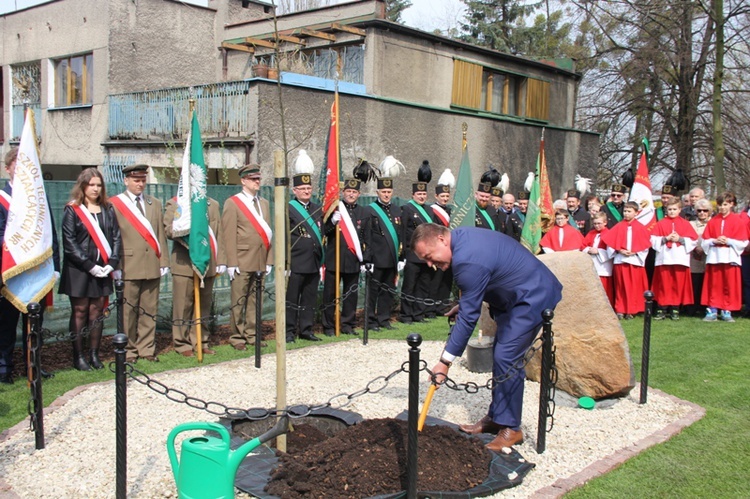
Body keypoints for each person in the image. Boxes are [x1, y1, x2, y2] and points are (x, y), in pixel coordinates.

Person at [412, 224, 562, 451]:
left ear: (442, 239)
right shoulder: (461, 239)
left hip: (531, 296)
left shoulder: (467, 260)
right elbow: (478, 288)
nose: (431, 265)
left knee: (506, 357)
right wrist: (464, 304)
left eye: (429, 257)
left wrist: (444, 363)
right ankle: (497, 417)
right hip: (516, 295)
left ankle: (512, 429)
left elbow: (469, 317)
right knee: (501, 355)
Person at [0, 147, 61, 383]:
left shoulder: (38, 198)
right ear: (8, 169)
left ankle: (33, 366)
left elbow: (50, 235)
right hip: (11, 273)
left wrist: (54, 266)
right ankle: (4, 369)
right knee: (6, 326)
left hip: (36, 274)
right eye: (17, 165)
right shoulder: (2, 198)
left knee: (34, 324)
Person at [59, 168, 122, 370]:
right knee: (80, 311)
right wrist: (89, 266)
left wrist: (111, 263)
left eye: (98, 185)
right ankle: (78, 357)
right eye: (91, 184)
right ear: (83, 186)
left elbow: (116, 238)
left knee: (97, 311)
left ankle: (94, 355)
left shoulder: (108, 209)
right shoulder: (72, 209)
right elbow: (69, 243)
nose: (95, 189)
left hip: (103, 269)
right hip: (78, 270)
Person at [111, 164, 170, 363]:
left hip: (152, 263)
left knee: (149, 309)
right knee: (128, 311)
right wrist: (116, 266)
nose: (140, 184)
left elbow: (160, 234)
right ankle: (128, 350)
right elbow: (113, 237)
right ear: (126, 181)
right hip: (128, 264)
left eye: (143, 180)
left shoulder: (154, 203)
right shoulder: (115, 204)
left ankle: (146, 348)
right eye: (136, 180)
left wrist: (164, 261)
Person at [164, 196, 225, 357]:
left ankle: (201, 341)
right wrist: (185, 229)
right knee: (183, 306)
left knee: (204, 306)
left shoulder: (213, 203)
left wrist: (221, 259)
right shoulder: (176, 202)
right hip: (184, 262)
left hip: (207, 262)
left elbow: (218, 233)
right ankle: (182, 343)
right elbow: (168, 229)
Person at [221, 164, 273, 349]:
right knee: (238, 300)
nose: (257, 182)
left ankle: (253, 334)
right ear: (243, 181)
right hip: (241, 260)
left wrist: (269, 259)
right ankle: (237, 337)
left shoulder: (264, 204)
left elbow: (268, 234)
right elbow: (228, 235)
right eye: (253, 179)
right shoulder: (233, 203)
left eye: (258, 178)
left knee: (255, 300)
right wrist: (231, 262)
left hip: (260, 258)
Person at [322, 178, 366, 336]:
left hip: (353, 260)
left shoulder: (363, 212)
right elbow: (324, 232)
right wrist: (332, 222)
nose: (351, 194)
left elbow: (365, 238)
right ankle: (328, 326)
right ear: (343, 192)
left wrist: (364, 260)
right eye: (349, 191)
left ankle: (347, 325)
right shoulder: (335, 209)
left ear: (359, 194)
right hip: (335, 259)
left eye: (354, 192)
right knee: (330, 295)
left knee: (351, 295)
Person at [700, 191, 749, 322]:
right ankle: (713, 309)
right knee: (714, 284)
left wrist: (729, 241)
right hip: (715, 257)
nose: (722, 208)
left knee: (729, 284)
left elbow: (743, 242)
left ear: (732, 204)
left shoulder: (737, 221)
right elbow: (705, 240)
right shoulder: (713, 221)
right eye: (720, 205)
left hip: (730, 257)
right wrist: (714, 241)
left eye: (725, 204)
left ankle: (727, 310)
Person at [286, 173, 323, 342]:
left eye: (309, 188)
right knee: (292, 298)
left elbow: (322, 232)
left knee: (309, 298)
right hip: (297, 260)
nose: (306, 191)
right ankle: (289, 331)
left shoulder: (317, 208)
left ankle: (306, 330)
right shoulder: (289, 208)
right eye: (302, 189)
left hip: (313, 261)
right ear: (295, 190)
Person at [362, 177, 402, 331]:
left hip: (392, 258)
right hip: (376, 258)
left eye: (389, 191)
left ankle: (384, 319)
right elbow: (368, 236)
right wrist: (368, 258)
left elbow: (401, 235)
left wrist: (401, 256)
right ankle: (371, 321)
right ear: (377, 192)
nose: (386, 194)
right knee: (373, 292)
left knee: (388, 291)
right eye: (383, 191)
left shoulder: (397, 210)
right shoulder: (370, 210)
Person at [650, 199, 699, 320]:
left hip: (679, 258)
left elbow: (693, 240)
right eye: (670, 209)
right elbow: (653, 239)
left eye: (674, 209)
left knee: (677, 284)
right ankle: (662, 307)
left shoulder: (685, 224)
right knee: (664, 284)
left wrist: (680, 239)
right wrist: (665, 238)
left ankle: (675, 307)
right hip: (664, 258)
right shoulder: (660, 223)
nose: (672, 212)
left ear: (679, 210)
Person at [601, 201, 651, 319]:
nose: (626, 214)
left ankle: (631, 310)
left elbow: (645, 245)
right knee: (621, 286)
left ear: (636, 213)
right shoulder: (618, 226)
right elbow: (611, 244)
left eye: (629, 211)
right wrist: (619, 250)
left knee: (633, 287)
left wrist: (635, 251)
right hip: (621, 260)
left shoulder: (640, 227)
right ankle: (620, 309)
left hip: (634, 261)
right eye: (625, 211)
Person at [399, 180, 435, 324]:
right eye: (419, 194)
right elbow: (402, 232)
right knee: (409, 286)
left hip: (426, 256)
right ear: (413, 195)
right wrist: (402, 255)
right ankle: (406, 315)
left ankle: (418, 314)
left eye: (424, 194)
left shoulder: (429, 210)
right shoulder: (407, 209)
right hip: (413, 254)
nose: (421, 196)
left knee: (423, 286)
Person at [427, 182, 453, 317]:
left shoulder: (450, 210)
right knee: (435, 280)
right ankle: (431, 308)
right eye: (442, 196)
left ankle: (442, 307)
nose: (445, 198)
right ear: (436, 196)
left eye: (447, 196)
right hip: (438, 249)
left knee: (446, 279)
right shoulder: (432, 211)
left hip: (448, 249)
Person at [581, 212, 614, 307]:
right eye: (595, 223)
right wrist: (589, 249)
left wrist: (598, 251)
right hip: (592, 262)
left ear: (605, 222)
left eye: (599, 223)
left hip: (603, 265)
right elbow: (583, 246)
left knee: (604, 287)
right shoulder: (591, 233)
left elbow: (611, 250)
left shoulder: (609, 233)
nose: (597, 226)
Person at [688, 199, 712, 315]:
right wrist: (696, 247)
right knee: (694, 282)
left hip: (708, 257)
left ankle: (704, 306)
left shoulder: (713, 224)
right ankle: (692, 306)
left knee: (706, 282)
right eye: (699, 210)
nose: (702, 213)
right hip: (694, 257)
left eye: (705, 210)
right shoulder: (690, 224)